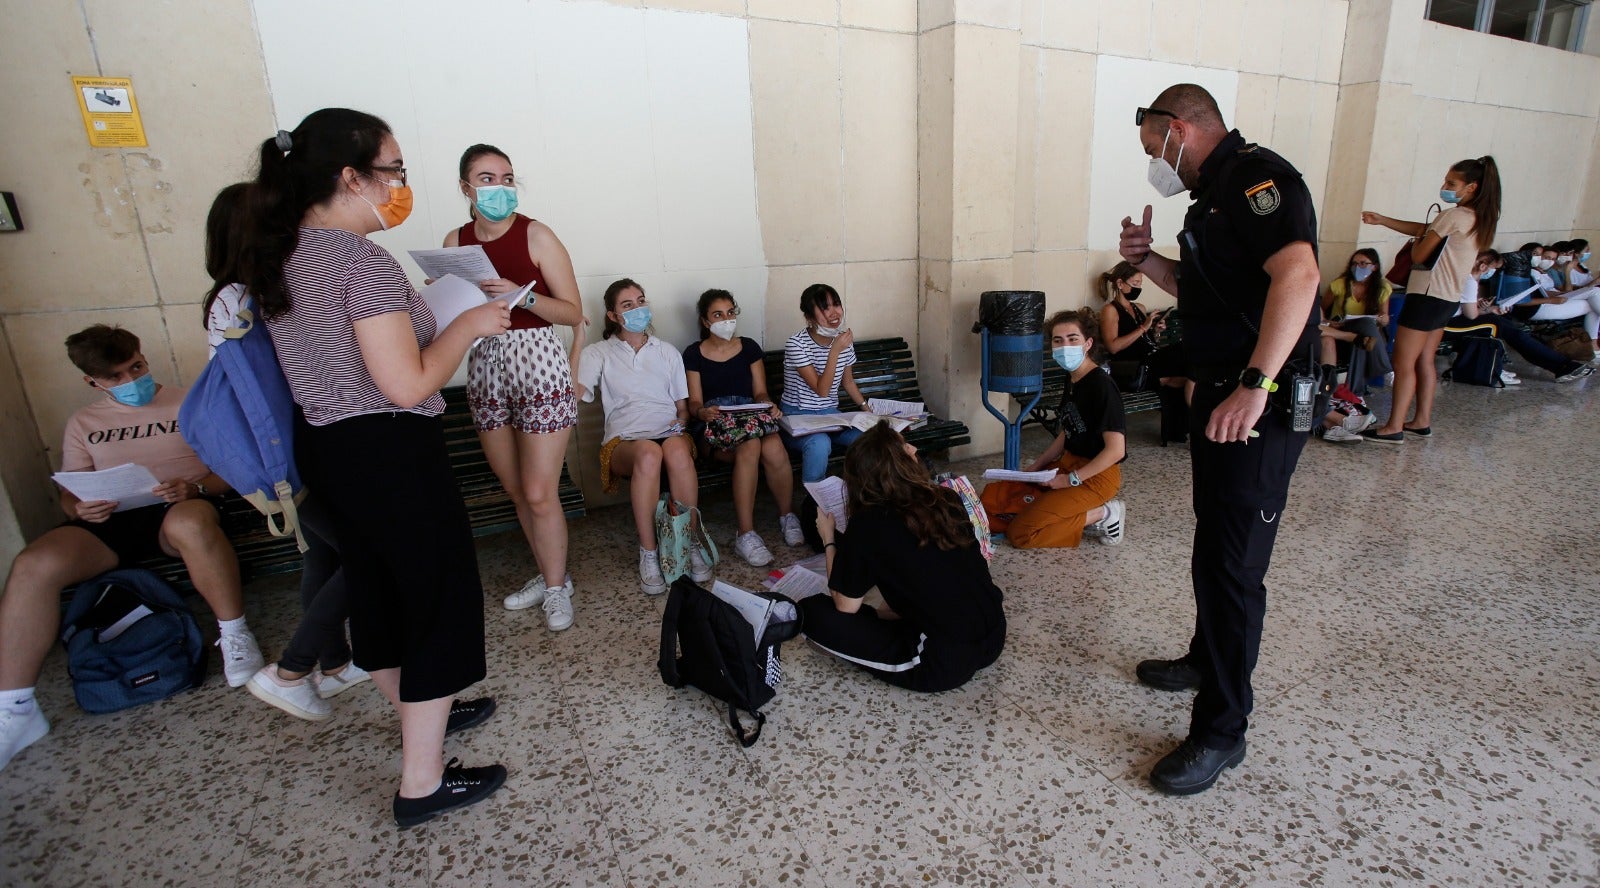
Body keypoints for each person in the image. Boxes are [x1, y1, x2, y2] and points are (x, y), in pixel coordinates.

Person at [242, 109, 507, 827]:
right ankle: (421, 784)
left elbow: (345, 349)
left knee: (381, 595)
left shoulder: (286, 252)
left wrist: (426, 313)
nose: (400, 186)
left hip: (330, 449)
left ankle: (422, 711)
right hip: (390, 451)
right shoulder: (359, 259)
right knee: (435, 598)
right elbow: (407, 384)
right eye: (392, 171)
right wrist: (468, 324)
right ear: (350, 177)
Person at [1119, 84, 1322, 794]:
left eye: (1153, 148)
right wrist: (1146, 263)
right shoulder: (1210, 199)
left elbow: (1298, 275)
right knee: (1214, 545)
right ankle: (1206, 658)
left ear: (1179, 129)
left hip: (1256, 404)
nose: (1154, 163)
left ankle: (1222, 730)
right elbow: (1206, 291)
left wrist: (1257, 384)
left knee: (1234, 569)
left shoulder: (1259, 181)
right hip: (1222, 397)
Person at [0, 326, 264, 771]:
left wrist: (194, 485)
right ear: (93, 382)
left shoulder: (188, 402)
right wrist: (80, 507)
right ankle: (15, 706)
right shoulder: (85, 424)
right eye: (117, 377)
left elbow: (235, 467)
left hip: (181, 507)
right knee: (33, 563)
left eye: (136, 367)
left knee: (189, 523)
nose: (132, 380)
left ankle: (235, 636)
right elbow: (70, 491)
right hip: (113, 521)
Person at [202, 183, 369, 722]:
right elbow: (267, 392)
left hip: (303, 446)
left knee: (324, 553)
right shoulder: (244, 300)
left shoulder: (248, 291)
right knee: (367, 552)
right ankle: (291, 670)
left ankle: (336, 662)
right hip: (290, 453)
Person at [444, 144, 585, 631]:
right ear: (466, 187)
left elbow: (572, 311)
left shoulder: (536, 235)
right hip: (485, 362)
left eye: (506, 177)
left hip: (538, 361)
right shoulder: (457, 240)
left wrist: (521, 294)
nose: (499, 187)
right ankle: (551, 575)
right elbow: (453, 310)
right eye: (486, 178)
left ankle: (555, 586)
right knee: (516, 489)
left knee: (541, 490)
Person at [801, 424, 1005, 692]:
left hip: (942, 662)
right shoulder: (946, 497)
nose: (914, 449)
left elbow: (845, 606)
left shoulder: (868, 523)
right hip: (994, 634)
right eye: (905, 446)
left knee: (812, 612)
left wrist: (828, 538)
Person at [574, 278, 710, 595]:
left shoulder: (667, 352)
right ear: (612, 315)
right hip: (626, 442)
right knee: (649, 453)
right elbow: (576, 392)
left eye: (641, 301)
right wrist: (577, 338)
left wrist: (680, 422)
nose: (638, 309)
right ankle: (649, 552)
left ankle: (687, 543)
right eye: (627, 305)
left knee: (675, 451)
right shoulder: (600, 353)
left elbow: (682, 407)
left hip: (668, 432)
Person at [1360, 156, 1503, 441]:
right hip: (1446, 298)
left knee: (1403, 363)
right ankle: (1420, 420)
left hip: (1426, 295)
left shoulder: (1453, 215)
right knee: (1425, 360)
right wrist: (1383, 220)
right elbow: (1423, 229)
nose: (1445, 187)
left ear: (1471, 187)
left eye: (1452, 183)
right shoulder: (1477, 218)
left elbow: (1419, 255)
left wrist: (1417, 245)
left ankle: (1394, 426)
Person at [979, 310, 1126, 548]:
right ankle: (1067, 510)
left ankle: (1104, 513)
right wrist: (1038, 465)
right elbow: (1067, 430)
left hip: (1095, 477)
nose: (1064, 345)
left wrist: (1071, 480)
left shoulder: (1101, 386)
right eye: (1058, 340)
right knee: (1003, 496)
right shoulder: (1074, 378)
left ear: (1088, 343)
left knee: (1021, 533)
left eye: (1072, 338)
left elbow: (1116, 451)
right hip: (1067, 464)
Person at [682, 289, 803, 566]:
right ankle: (745, 534)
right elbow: (694, 403)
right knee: (751, 444)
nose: (726, 320)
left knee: (772, 444)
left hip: (750, 417)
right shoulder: (693, 354)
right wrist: (702, 411)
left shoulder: (748, 348)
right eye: (718, 315)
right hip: (713, 425)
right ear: (705, 321)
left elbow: (760, 392)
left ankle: (787, 516)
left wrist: (767, 405)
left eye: (730, 313)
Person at [1450, 250, 1593, 384]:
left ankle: (1562, 365)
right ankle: (1562, 366)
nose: (1491, 273)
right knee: (1498, 324)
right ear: (1482, 266)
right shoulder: (1469, 280)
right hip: (1449, 324)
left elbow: (1464, 307)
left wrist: (1483, 306)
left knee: (1504, 324)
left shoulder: (1463, 276)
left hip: (1451, 317)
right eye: (1492, 269)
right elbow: (1471, 314)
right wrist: (1490, 310)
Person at [780, 284, 869, 484]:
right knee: (819, 443)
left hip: (830, 415)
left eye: (836, 304)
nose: (834, 313)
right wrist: (835, 351)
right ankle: (814, 504)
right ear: (809, 318)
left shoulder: (842, 341)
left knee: (870, 436)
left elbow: (848, 382)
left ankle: (864, 495)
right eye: (825, 308)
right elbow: (822, 390)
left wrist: (867, 410)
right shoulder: (796, 344)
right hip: (798, 416)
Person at [1097, 262, 1188, 443]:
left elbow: (1144, 341)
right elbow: (1113, 347)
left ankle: (1179, 430)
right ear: (1120, 283)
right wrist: (1142, 327)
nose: (1138, 287)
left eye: (1140, 283)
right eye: (1135, 283)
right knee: (1183, 352)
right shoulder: (1110, 310)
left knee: (1184, 378)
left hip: (1150, 361)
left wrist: (1155, 331)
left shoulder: (1138, 307)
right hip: (1131, 367)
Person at [1317, 248, 1393, 380]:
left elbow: (1385, 319)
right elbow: (1320, 310)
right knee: (1364, 332)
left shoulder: (1382, 288)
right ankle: (1385, 369)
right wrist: (1328, 322)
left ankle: (1354, 391)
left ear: (1374, 267)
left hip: (1366, 331)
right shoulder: (1340, 284)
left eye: (1363, 263)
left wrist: (1383, 319)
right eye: (1354, 263)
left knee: (1364, 332)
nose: (1358, 267)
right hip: (1340, 326)